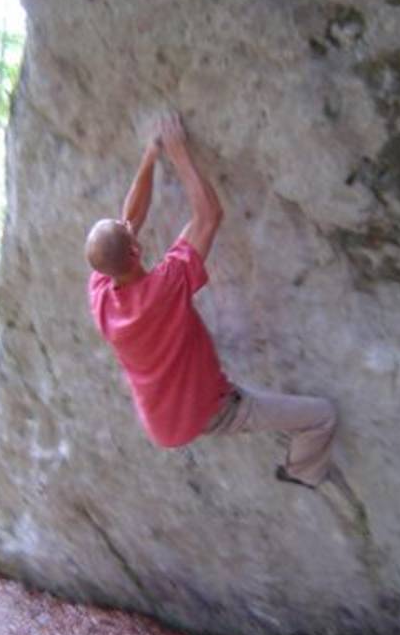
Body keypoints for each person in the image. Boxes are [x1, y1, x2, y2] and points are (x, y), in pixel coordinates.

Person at [85, 113, 337, 488]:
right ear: (135, 252)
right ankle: (303, 472)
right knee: (322, 415)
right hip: (212, 411)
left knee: (174, 247)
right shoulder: (166, 287)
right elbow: (209, 216)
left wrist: (150, 156)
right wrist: (178, 152)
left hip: (161, 422)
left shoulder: (101, 294)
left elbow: (128, 223)